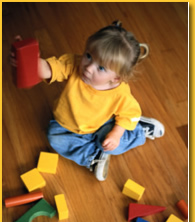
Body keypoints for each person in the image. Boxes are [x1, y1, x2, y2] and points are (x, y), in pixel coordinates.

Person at [13, 21, 165, 181]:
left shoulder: (120, 94)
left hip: (104, 124)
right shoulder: (74, 65)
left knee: (114, 145)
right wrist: (28, 61)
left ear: (116, 78)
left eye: (101, 68)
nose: (88, 67)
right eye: (88, 56)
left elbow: (129, 112)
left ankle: (138, 129)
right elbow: (49, 69)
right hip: (67, 125)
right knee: (54, 139)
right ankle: (93, 156)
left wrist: (116, 133)